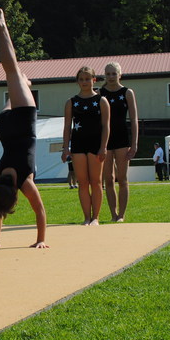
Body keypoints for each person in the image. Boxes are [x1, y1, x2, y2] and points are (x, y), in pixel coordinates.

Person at [0, 8, 48, 248]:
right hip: (5, 126)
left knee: (11, 70)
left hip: (22, 122)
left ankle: (2, 28)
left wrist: (41, 240)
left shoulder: (24, 182)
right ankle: (25, 83)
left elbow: (39, 209)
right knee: (16, 78)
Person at [62, 67, 110, 226]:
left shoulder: (101, 101)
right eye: (81, 79)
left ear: (94, 80)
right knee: (82, 183)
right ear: (77, 81)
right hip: (78, 145)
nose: (84, 82)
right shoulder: (71, 102)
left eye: (87, 79)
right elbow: (67, 127)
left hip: (96, 144)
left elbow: (106, 126)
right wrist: (65, 148)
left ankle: (96, 217)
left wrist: (103, 147)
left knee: (96, 182)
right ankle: (87, 217)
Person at [99, 62, 138, 222]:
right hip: (105, 140)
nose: (111, 77)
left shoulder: (127, 92)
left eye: (114, 73)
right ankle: (113, 214)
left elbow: (134, 120)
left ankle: (121, 215)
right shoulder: (99, 93)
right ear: (104, 76)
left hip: (122, 139)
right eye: (108, 74)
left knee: (122, 179)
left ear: (120, 74)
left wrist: (134, 144)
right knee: (108, 179)